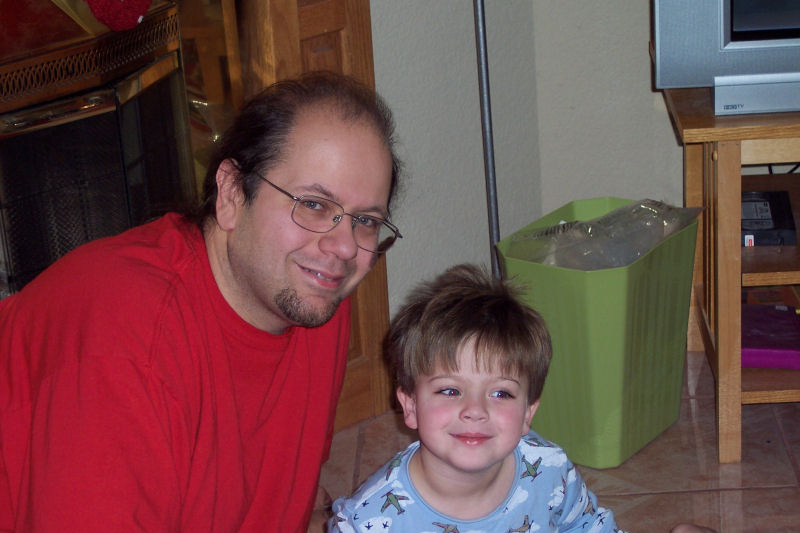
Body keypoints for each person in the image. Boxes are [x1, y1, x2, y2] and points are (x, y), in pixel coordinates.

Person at [0, 71, 402, 532]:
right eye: (312, 204)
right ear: (231, 192)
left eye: (366, 221)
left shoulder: (313, 295)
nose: (345, 247)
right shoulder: (128, 346)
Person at [328, 264, 716, 533]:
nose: (475, 410)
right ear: (410, 405)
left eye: (501, 393)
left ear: (529, 413)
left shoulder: (547, 468)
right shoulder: (369, 519)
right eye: (450, 390)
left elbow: (588, 527)